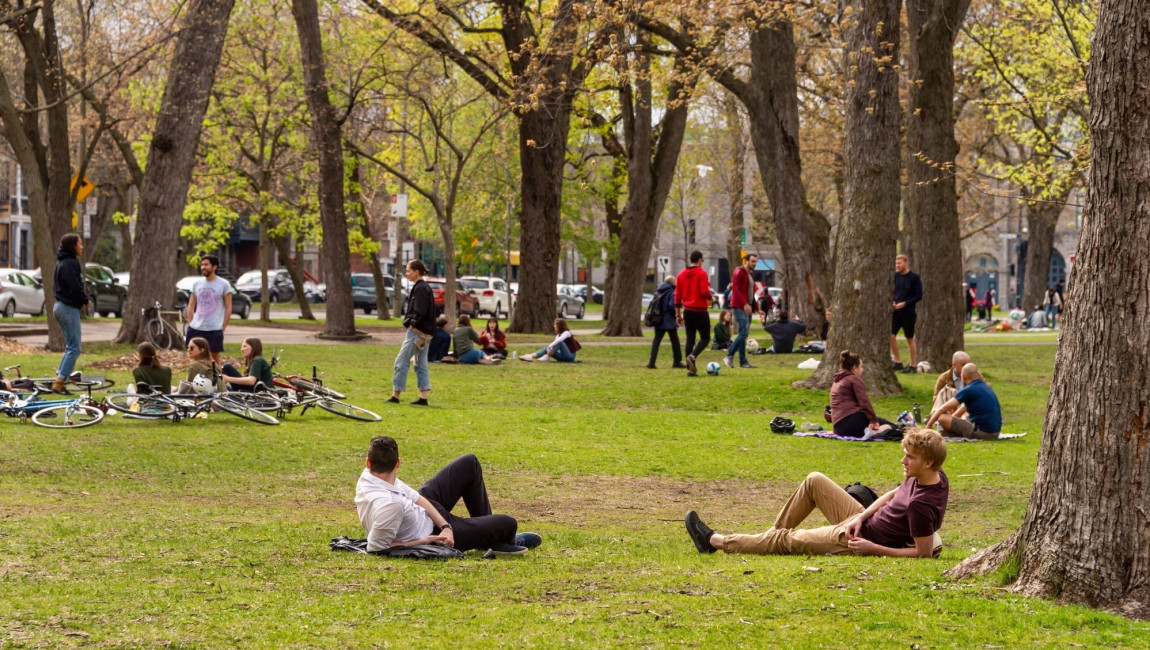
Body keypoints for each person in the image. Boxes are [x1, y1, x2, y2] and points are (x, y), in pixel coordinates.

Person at [685, 428, 948, 558]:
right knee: (814, 480)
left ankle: (714, 542)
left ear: (927, 462)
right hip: (860, 521)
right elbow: (892, 494)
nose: (903, 461)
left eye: (909, 457)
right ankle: (767, 539)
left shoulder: (921, 505)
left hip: (855, 539)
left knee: (789, 540)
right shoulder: (932, 477)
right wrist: (860, 516)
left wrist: (871, 548)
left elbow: (922, 554)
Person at [355, 436, 541, 556]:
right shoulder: (389, 505)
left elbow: (417, 498)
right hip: (431, 533)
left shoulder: (368, 476)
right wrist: (429, 540)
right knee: (508, 523)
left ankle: (490, 539)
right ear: (398, 463)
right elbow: (377, 548)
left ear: (368, 463)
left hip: (428, 515)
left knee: (469, 463)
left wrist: (445, 525)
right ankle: (499, 539)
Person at [390, 260, 436, 406]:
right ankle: (423, 397)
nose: (407, 273)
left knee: (401, 362)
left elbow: (420, 311)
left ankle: (396, 395)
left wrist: (411, 323)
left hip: (417, 333)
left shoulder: (420, 288)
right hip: (426, 334)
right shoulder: (424, 287)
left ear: (416, 271)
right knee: (420, 364)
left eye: (408, 270)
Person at [925, 363, 1002, 440]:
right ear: (977, 374)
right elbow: (963, 408)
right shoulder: (985, 387)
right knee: (946, 428)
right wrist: (953, 420)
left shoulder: (968, 390)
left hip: (982, 433)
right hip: (995, 433)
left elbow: (942, 409)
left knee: (942, 417)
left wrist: (929, 425)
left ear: (963, 377)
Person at [51, 233, 88, 392]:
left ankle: (60, 378)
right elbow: (75, 286)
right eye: (79, 244)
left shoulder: (62, 262)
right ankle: (59, 383)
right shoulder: (70, 263)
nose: (82, 246)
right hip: (67, 308)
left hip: (60, 306)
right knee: (75, 348)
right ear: (72, 246)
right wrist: (85, 299)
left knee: (70, 347)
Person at [830, 351, 896, 438]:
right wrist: (873, 420)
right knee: (892, 428)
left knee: (883, 423)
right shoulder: (854, 379)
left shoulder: (838, 380)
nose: (862, 370)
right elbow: (864, 402)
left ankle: (870, 432)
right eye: (861, 367)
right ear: (854, 368)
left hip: (838, 428)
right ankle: (872, 434)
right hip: (851, 421)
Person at [184, 255, 234, 366]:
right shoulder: (197, 284)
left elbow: (229, 307)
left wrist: (223, 327)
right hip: (196, 328)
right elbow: (191, 305)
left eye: (206, 264)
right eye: (202, 265)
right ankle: (194, 381)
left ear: (214, 266)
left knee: (214, 359)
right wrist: (191, 323)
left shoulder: (224, 284)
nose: (203, 267)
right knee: (193, 359)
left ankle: (218, 382)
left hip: (214, 329)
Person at [674, 250, 713, 377]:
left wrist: (678, 315)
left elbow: (677, 296)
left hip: (688, 311)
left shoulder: (680, 275)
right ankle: (693, 356)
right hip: (700, 311)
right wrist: (711, 298)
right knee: (705, 338)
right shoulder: (702, 273)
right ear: (700, 260)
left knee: (690, 339)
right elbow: (704, 291)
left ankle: (691, 370)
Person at [724, 253, 757, 369]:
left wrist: (757, 308)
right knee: (743, 332)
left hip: (748, 307)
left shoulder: (750, 274)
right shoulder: (739, 272)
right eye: (752, 261)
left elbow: (751, 293)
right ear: (746, 261)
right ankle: (729, 355)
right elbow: (736, 290)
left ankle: (743, 362)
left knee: (744, 334)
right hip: (739, 306)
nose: (754, 264)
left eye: (755, 262)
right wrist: (744, 304)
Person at [890, 254, 923, 373]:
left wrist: (905, 303)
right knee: (891, 336)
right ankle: (898, 362)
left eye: (899, 263)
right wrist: (893, 301)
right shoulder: (895, 276)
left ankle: (913, 365)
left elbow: (919, 295)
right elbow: (892, 291)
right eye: (896, 264)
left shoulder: (914, 277)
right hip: (895, 312)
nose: (897, 266)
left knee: (909, 338)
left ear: (906, 263)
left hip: (908, 312)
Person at [647, 275, 683, 369]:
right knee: (675, 341)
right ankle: (677, 361)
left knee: (656, 341)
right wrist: (676, 315)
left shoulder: (658, 291)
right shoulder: (671, 292)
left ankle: (651, 362)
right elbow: (672, 306)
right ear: (673, 282)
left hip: (658, 319)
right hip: (669, 321)